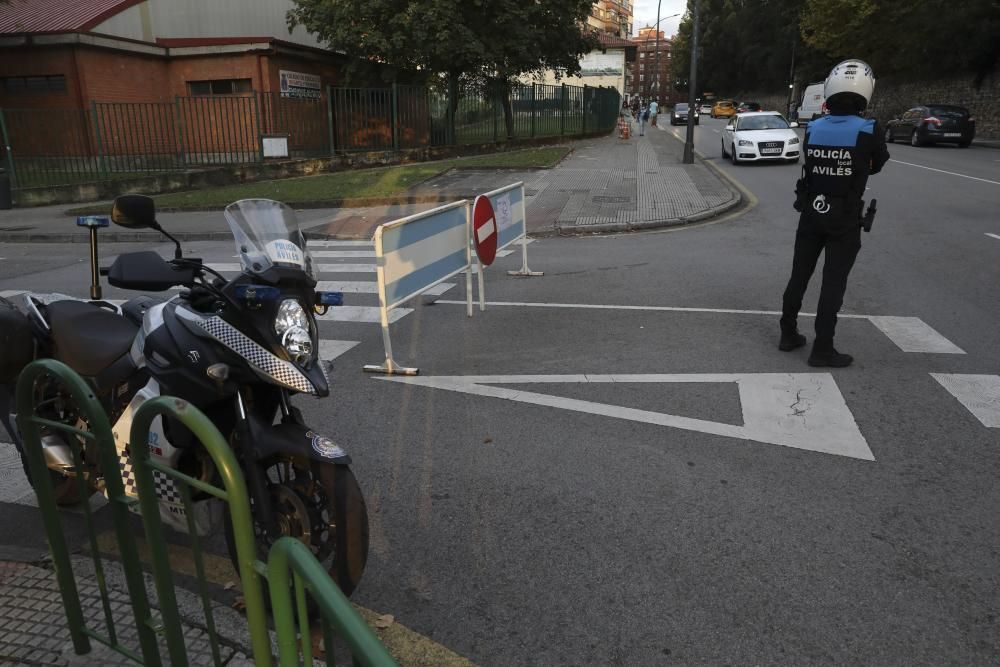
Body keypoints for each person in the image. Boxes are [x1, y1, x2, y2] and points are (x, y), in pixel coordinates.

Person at [779, 59, 890, 367]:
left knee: (799, 275)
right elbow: (878, 164)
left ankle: (787, 334)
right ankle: (822, 348)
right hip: (844, 217)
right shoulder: (869, 129)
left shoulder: (813, 126)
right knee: (833, 283)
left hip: (812, 212)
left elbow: (811, 161)